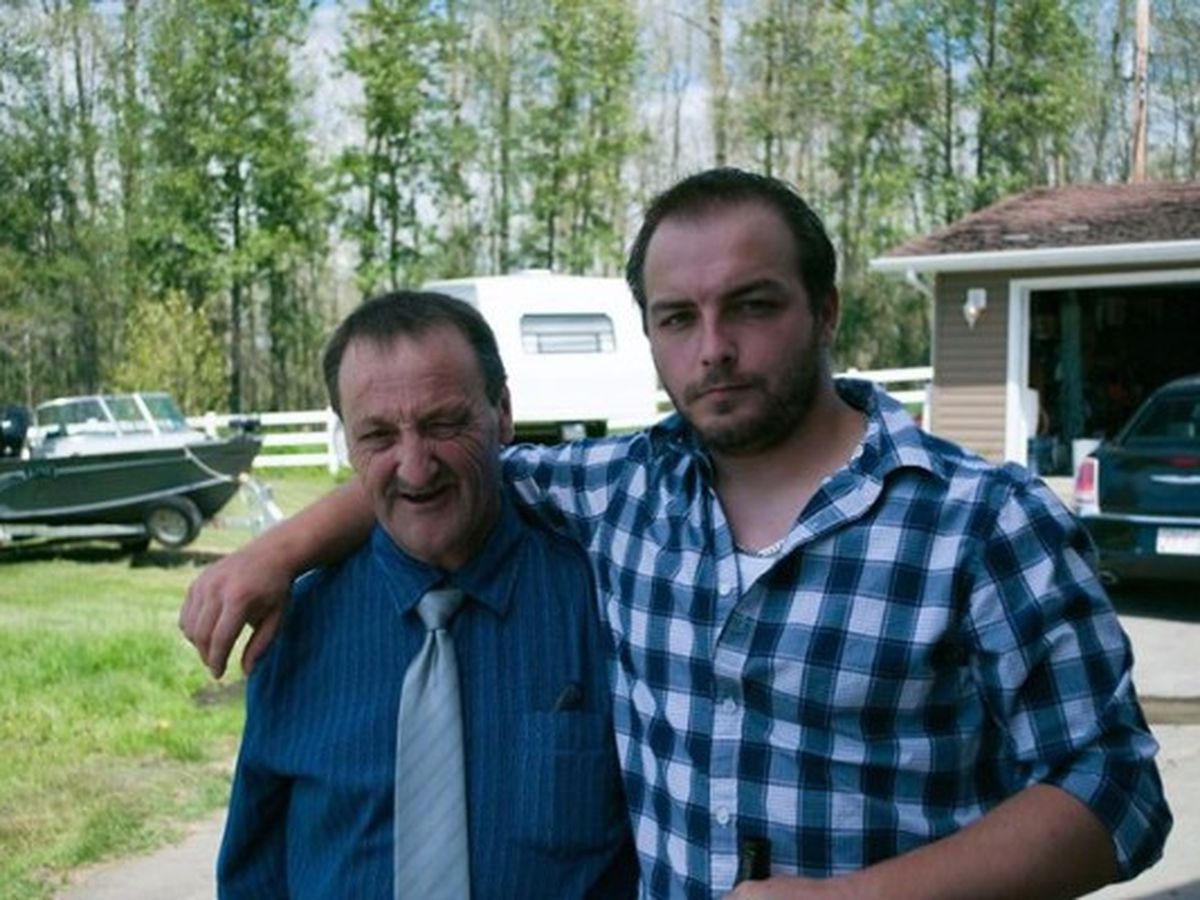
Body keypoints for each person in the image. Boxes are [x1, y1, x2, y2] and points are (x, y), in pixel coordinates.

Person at [186, 169, 1171, 899]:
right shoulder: (622, 494)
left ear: (825, 310)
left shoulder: (984, 522)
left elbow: (1116, 790)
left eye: (752, 305)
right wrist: (277, 551)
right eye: (677, 318)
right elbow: (431, 473)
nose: (715, 349)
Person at [216, 291, 637, 898]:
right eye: (378, 436)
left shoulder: (605, 606)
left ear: (503, 413)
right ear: (347, 442)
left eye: (443, 425)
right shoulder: (295, 629)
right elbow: (255, 875)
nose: (415, 468)